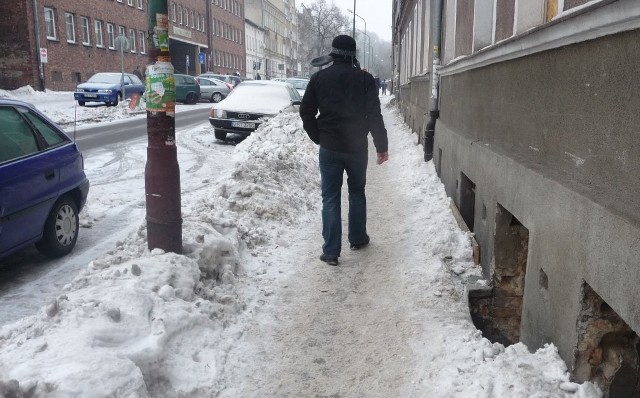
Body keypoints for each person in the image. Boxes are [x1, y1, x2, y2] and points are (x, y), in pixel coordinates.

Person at [299, 34, 389, 266]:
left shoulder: (319, 78)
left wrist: (318, 136)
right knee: (357, 192)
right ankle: (358, 238)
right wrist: (381, 146)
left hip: (330, 147)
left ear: (333, 53)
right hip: (357, 147)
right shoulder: (365, 79)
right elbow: (374, 115)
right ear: (354, 54)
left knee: (330, 197)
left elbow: (306, 111)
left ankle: (331, 252)